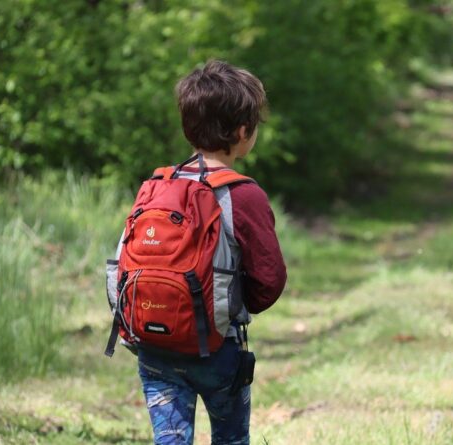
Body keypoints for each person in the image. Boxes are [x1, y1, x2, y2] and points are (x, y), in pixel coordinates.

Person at [135, 60, 287, 445]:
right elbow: (269, 280)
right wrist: (229, 305)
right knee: (231, 439)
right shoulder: (243, 194)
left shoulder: (155, 186)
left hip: (155, 344)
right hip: (218, 347)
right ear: (243, 132)